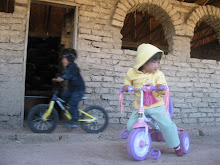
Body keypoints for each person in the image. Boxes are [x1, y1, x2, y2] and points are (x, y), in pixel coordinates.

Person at [123, 44, 184, 156]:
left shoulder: (158, 75)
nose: (157, 65)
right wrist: (126, 87)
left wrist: (160, 87)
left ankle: (177, 145)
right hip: (140, 107)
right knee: (130, 125)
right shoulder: (132, 73)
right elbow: (127, 82)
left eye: (158, 62)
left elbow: (164, 90)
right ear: (143, 62)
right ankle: (139, 140)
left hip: (157, 106)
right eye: (153, 62)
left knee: (167, 124)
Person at [52, 48, 85, 129]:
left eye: (64, 59)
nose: (62, 61)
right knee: (64, 96)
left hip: (79, 90)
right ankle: (73, 111)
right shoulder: (69, 68)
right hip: (72, 90)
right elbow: (66, 75)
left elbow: (70, 76)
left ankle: (74, 122)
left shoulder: (74, 67)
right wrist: (59, 78)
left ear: (69, 59)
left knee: (72, 104)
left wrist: (62, 78)